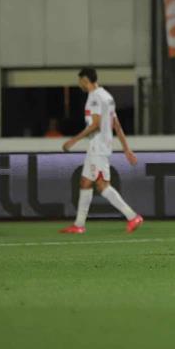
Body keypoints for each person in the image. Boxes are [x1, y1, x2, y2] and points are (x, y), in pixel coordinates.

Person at [60, 68, 143, 234]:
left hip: (98, 147)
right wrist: (127, 149)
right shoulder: (107, 96)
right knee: (85, 182)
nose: (79, 84)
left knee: (102, 185)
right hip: (100, 146)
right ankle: (79, 225)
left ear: (85, 80)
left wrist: (73, 141)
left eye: (80, 81)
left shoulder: (94, 98)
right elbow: (116, 124)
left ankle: (132, 216)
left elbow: (95, 125)